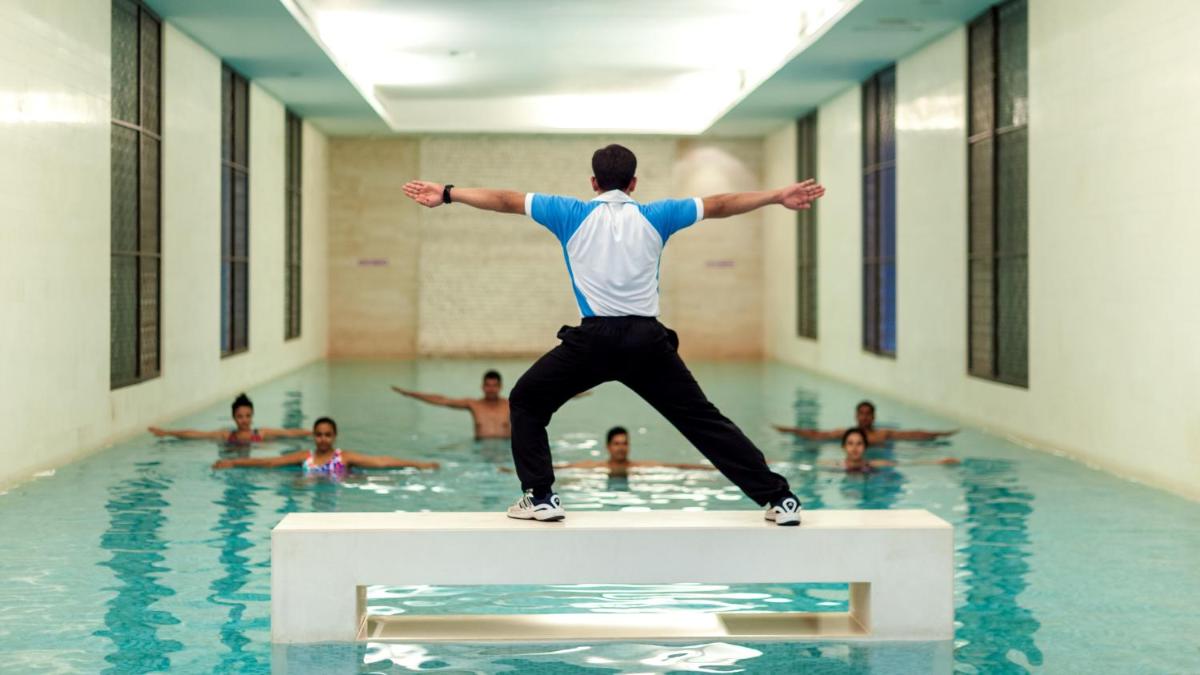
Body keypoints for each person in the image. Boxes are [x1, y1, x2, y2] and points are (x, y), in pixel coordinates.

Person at [402, 143, 825, 526]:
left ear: (593, 182)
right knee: (703, 421)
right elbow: (721, 203)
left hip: (594, 341)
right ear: (634, 182)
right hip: (647, 342)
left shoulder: (568, 212)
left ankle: (540, 497)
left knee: (527, 401)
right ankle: (780, 500)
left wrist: (448, 192)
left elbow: (506, 200)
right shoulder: (657, 215)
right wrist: (774, 196)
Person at [392, 370, 589, 440]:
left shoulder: (511, 403)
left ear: (500, 387)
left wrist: (573, 392)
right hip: (479, 450)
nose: (491, 389)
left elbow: (544, 396)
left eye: (495, 385)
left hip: (505, 450)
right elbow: (442, 400)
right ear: (483, 387)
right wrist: (411, 394)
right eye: (488, 385)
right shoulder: (473, 405)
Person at [211, 417, 439, 475]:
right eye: (319, 435)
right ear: (313, 436)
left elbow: (381, 461)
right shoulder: (305, 456)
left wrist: (420, 464)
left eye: (327, 435)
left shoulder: (343, 456)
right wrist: (233, 461)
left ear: (334, 436)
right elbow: (269, 462)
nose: (323, 439)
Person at [552, 426, 715, 478]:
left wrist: (714, 468)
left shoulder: (640, 466)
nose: (621, 447)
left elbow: (677, 467)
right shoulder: (594, 466)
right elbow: (563, 468)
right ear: (608, 447)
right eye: (616, 444)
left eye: (624, 443)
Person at [774, 400, 957, 446]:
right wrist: (791, 430)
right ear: (856, 416)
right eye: (861, 414)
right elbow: (817, 435)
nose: (864, 418)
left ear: (874, 417)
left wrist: (939, 435)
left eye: (868, 414)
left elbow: (913, 434)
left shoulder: (882, 435)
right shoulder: (845, 434)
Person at [148, 393, 311, 444]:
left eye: (247, 416)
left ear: (252, 416)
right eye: (240, 416)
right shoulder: (226, 435)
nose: (244, 420)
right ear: (233, 418)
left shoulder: (261, 433)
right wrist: (168, 433)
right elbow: (197, 435)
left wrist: (312, 432)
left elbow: (290, 433)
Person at [825, 428, 960, 473]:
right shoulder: (833, 465)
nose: (854, 448)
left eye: (859, 444)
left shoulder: (874, 464)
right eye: (850, 443)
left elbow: (908, 463)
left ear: (865, 447)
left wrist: (938, 461)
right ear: (843, 447)